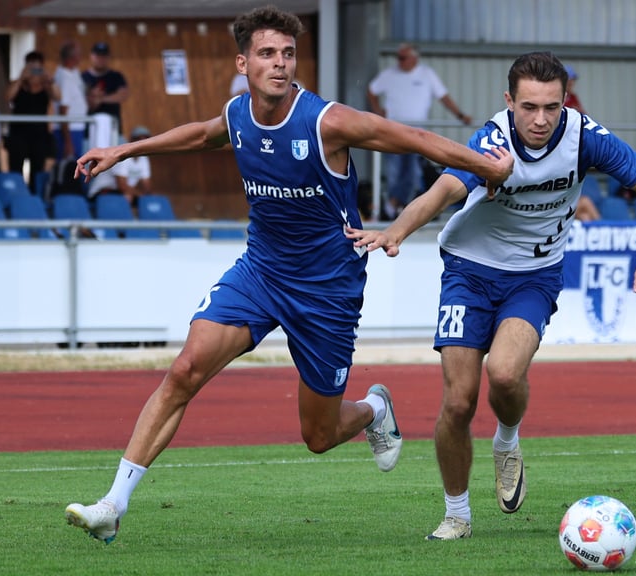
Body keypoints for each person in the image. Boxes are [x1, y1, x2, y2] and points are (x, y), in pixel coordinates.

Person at [63, 5, 513, 545]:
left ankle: (373, 410)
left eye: (288, 54)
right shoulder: (237, 115)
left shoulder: (327, 121)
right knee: (185, 369)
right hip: (261, 272)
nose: (280, 64)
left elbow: (411, 136)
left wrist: (485, 166)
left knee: (318, 436)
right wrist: (124, 149)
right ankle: (114, 504)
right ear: (243, 62)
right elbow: (201, 135)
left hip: (327, 291)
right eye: (267, 54)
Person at [345, 51, 636, 540]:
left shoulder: (584, 136)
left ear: (565, 101)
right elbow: (442, 192)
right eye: (528, 107)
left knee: (503, 374)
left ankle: (507, 441)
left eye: (551, 106)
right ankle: (457, 512)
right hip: (468, 271)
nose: (540, 119)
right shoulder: (492, 141)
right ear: (509, 102)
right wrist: (396, 230)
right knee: (459, 402)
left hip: (534, 275)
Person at [367, 43, 473, 219]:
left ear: (414, 58)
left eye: (403, 58)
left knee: (414, 174)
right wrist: (378, 111)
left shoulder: (427, 74)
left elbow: (443, 97)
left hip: (417, 135)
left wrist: (460, 115)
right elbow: (371, 91)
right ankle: (392, 209)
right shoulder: (389, 74)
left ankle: (401, 209)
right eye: (398, 57)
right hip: (392, 132)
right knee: (394, 174)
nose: (399, 61)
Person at [5, 50, 60, 187]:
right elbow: (7, 97)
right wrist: (21, 78)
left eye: (37, 67)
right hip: (18, 133)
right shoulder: (18, 84)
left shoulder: (46, 86)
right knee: (15, 168)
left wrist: (48, 78)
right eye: (31, 67)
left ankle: (35, 198)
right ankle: (15, 195)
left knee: (37, 170)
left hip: (39, 134)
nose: (34, 72)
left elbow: (58, 97)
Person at [82, 42, 129, 144]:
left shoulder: (116, 76)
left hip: (113, 131)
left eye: (104, 56)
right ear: (91, 56)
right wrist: (93, 99)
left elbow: (123, 95)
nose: (101, 59)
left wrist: (101, 99)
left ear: (108, 57)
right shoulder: (83, 77)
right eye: (98, 55)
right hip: (88, 133)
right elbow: (82, 101)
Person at [53, 42, 89, 161]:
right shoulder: (65, 78)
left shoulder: (74, 73)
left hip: (77, 127)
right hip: (70, 130)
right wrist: (68, 141)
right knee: (70, 167)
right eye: (79, 54)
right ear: (71, 58)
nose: (81, 57)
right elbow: (63, 110)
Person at [112, 125, 154, 207]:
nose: (143, 143)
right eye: (138, 139)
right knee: (128, 197)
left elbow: (147, 185)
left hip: (129, 193)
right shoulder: (123, 155)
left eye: (146, 140)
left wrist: (147, 196)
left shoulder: (144, 159)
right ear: (131, 140)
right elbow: (121, 185)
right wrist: (140, 195)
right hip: (110, 191)